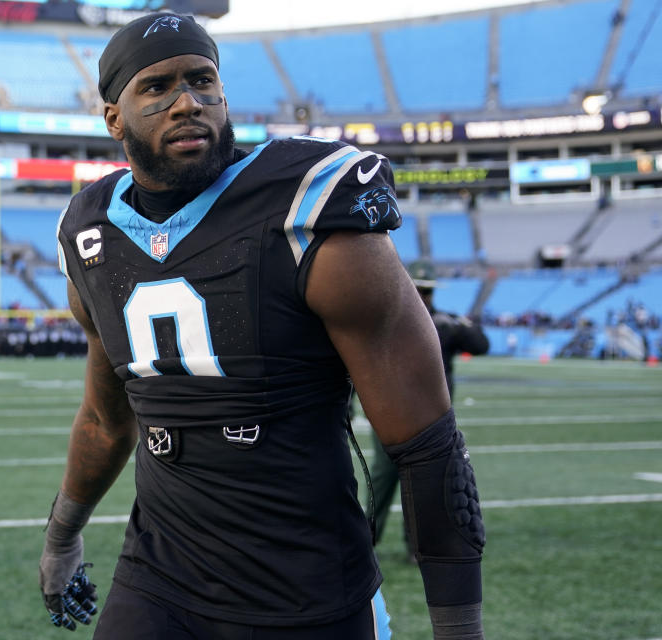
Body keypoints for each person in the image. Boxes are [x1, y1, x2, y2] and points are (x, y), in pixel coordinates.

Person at [40, 13, 486, 639]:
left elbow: (428, 446)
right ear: (113, 118)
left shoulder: (306, 211)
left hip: (307, 590)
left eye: (202, 80)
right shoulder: (92, 233)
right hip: (159, 582)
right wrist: (62, 536)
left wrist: (459, 628)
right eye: (157, 88)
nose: (187, 103)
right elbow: (106, 419)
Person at [367, 260, 490, 559]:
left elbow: (480, 345)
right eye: (419, 290)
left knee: (423, 483)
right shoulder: (388, 319)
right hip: (389, 409)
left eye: (428, 292)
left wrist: (465, 325)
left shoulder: (443, 323)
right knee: (382, 479)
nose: (423, 297)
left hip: (430, 416)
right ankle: (366, 540)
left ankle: (417, 546)